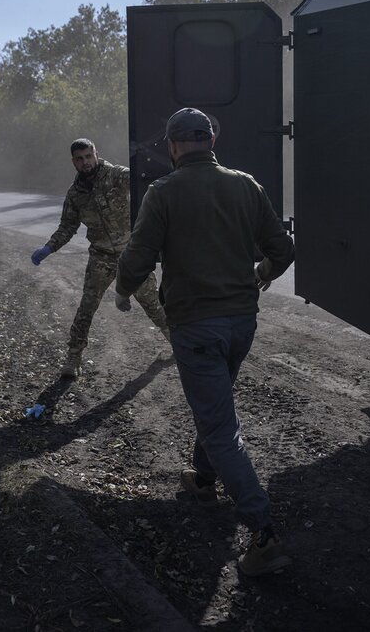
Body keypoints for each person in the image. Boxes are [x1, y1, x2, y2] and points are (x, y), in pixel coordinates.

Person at [114, 107, 295, 577]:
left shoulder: (163, 192)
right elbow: (283, 249)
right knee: (215, 406)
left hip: (196, 326)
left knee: (220, 429)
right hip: (242, 324)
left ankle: (264, 534)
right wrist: (263, 272)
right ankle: (202, 479)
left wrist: (121, 290)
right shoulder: (246, 184)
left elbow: (138, 256)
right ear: (210, 141)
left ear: (174, 146)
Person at [31, 138, 171, 379]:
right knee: (86, 308)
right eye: (79, 158)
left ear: (96, 154)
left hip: (131, 256)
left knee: (154, 306)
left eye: (88, 156)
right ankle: (73, 359)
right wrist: (49, 248)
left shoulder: (116, 176)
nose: (85, 162)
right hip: (101, 259)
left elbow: (144, 180)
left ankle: (178, 343)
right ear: (73, 161)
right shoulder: (76, 194)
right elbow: (67, 226)